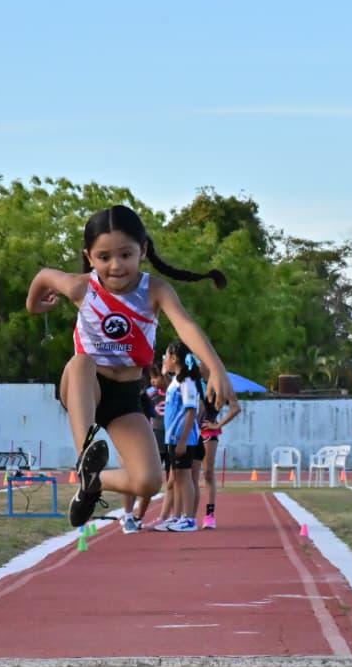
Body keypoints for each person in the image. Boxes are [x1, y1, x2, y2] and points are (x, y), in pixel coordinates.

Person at [27, 205, 236, 528]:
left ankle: (93, 482)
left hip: (124, 396)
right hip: (86, 386)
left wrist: (216, 368)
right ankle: (85, 454)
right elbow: (43, 276)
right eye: (104, 257)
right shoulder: (81, 286)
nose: (116, 266)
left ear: (143, 250)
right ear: (89, 256)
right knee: (82, 361)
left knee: (148, 482)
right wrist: (34, 305)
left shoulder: (154, 290)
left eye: (126, 255)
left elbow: (186, 327)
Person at [154, 343, 203, 532]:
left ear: (174, 358)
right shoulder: (175, 381)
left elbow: (191, 412)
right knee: (177, 478)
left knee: (184, 478)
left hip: (184, 438)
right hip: (172, 438)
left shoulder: (187, 382)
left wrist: (183, 440)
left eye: (166, 356)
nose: (164, 360)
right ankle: (179, 516)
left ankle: (189, 519)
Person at [121, 366, 167, 533]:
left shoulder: (146, 397)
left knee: (148, 481)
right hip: (127, 440)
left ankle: (137, 516)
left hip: (145, 442)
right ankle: (127, 516)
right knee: (130, 477)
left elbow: (153, 417)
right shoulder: (120, 397)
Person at [198, 362, 241, 530]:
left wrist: (218, 425)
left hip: (208, 432)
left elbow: (236, 408)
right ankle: (184, 514)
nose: (198, 365)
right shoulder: (192, 380)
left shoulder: (222, 384)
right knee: (188, 475)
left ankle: (209, 515)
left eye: (201, 362)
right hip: (191, 432)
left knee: (207, 472)